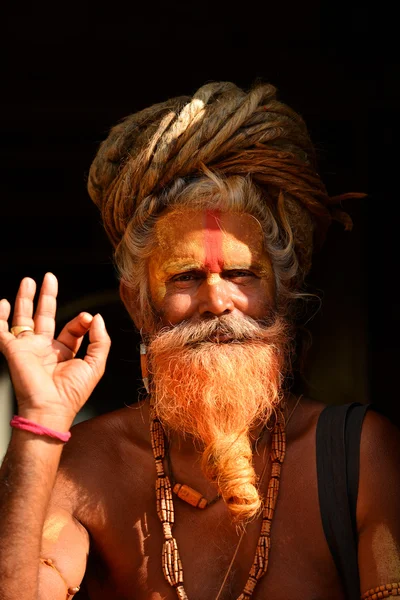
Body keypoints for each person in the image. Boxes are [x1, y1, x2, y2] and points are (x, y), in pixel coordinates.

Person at [0, 81, 399, 600]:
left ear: (283, 292)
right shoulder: (86, 466)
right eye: (185, 277)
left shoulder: (363, 455)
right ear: (138, 303)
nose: (218, 300)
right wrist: (40, 428)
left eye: (242, 273)